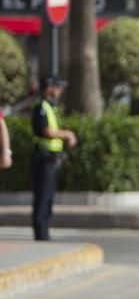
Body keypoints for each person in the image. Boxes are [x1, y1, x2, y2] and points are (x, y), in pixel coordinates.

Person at [30, 76, 76, 240]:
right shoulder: (41, 107)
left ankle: (45, 230)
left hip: (51, 158)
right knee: (42, 195)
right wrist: (68, 134)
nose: (60, 91)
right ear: (49, 87)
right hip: (43, 157)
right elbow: (47, 131)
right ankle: (41, 231)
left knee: (48, 195)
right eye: (57, 87)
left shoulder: (52, 107)